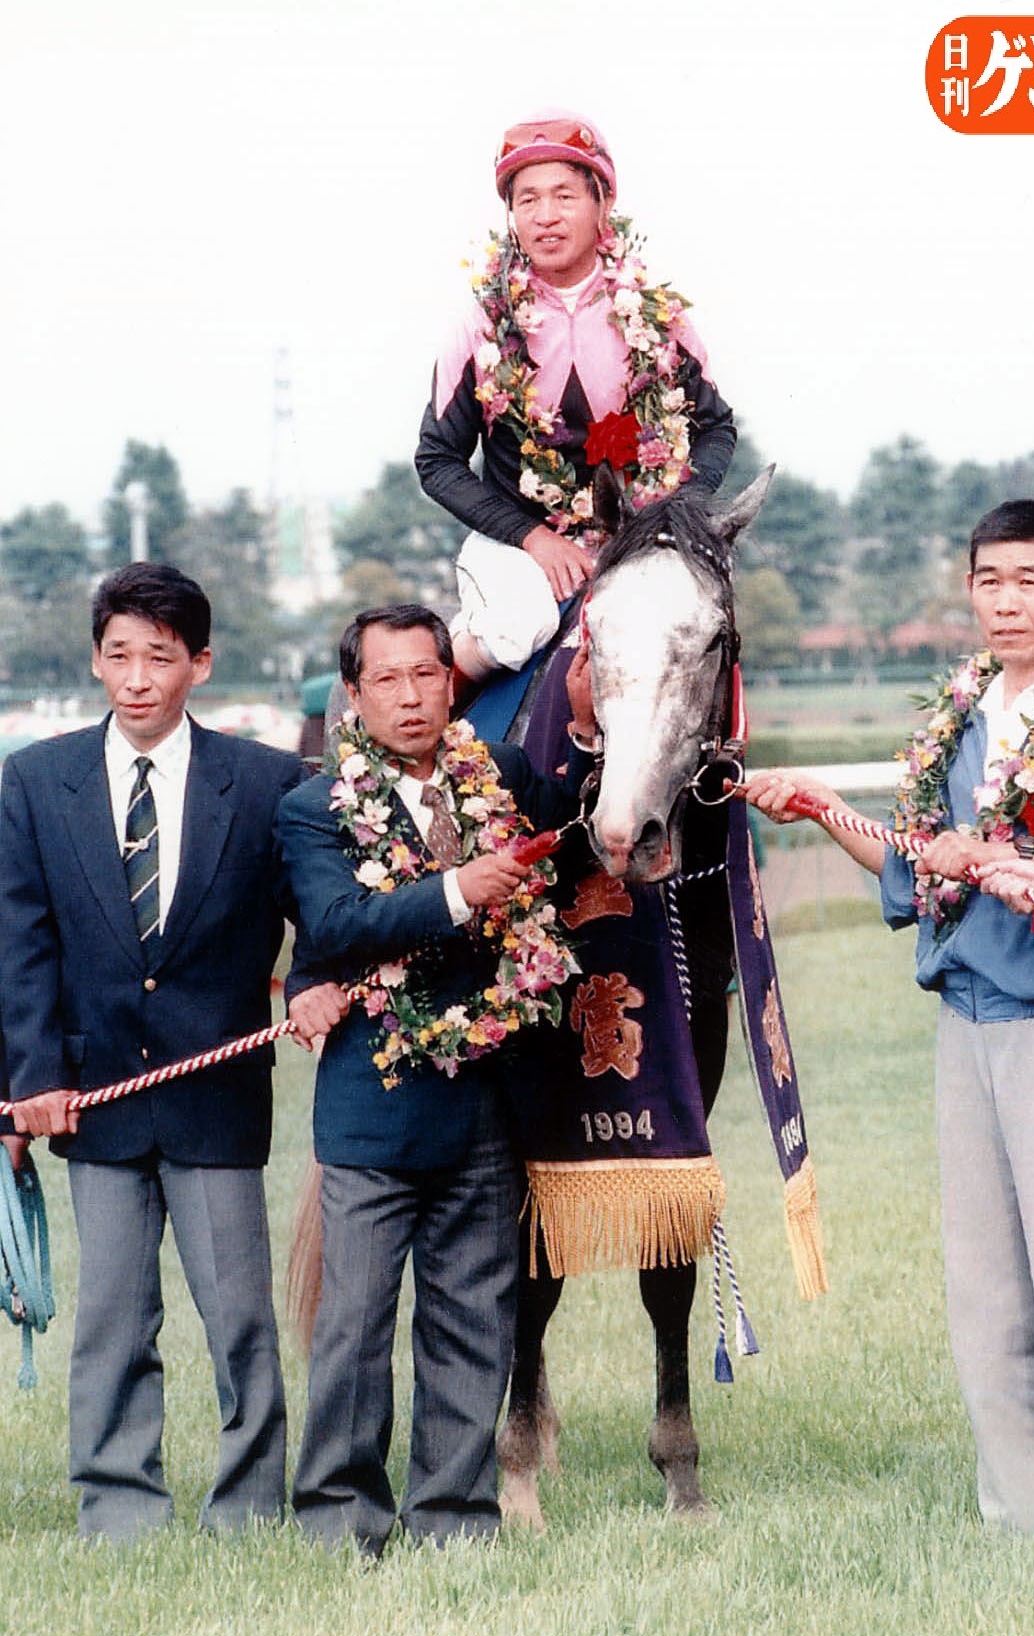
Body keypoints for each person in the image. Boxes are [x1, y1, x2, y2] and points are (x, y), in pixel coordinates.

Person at [739, 500, 1034, 1537]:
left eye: (1029, 580)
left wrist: (1030, 862)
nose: (1005, 602)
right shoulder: (960, 718)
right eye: (988, 580)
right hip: (967, 1021)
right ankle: (1018, 1520)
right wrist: (821, 808)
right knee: (986, 1291)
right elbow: (918, 871)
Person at [0, 561, 333, 1540]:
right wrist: (30, 1080)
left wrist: (314, 982)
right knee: (111, 1315)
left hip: (216, 1094)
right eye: (119, 656)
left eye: (159, 657)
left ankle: (249, 1506)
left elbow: (317, 916)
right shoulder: (35, 781)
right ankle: (118, 1506)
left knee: (238, 1315)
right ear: (95, 661)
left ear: (201, 663)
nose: (137, 678)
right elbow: (20, 944)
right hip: (90, 1096)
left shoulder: (267, 781)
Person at [276, 603, 597, 1556]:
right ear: (353, 695)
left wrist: (585, 734)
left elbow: (575, 844)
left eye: (426, 674)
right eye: (387, 679)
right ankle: (342, 1521)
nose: (411, 696)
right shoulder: (315, 808)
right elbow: (335, 925)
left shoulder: (499, 774)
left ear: (449, 685)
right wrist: (461, 890)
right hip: (370, 1116)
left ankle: (455, 1519)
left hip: (486, 1109)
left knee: (472, 1324)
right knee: (353, 1330)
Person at [415, 111, 736, 683]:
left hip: (637, 539)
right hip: (516, 546)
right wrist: (533, 538)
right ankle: (432, 712)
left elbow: (715, 430)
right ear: (511, 216)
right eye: (528, 200)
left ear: (602, 204)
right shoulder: (480, 327)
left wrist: (675, 517)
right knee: (519, 625)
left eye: (564, 196)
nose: (546, 216)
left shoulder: (659, 319)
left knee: (693, 623)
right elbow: (438, 460)